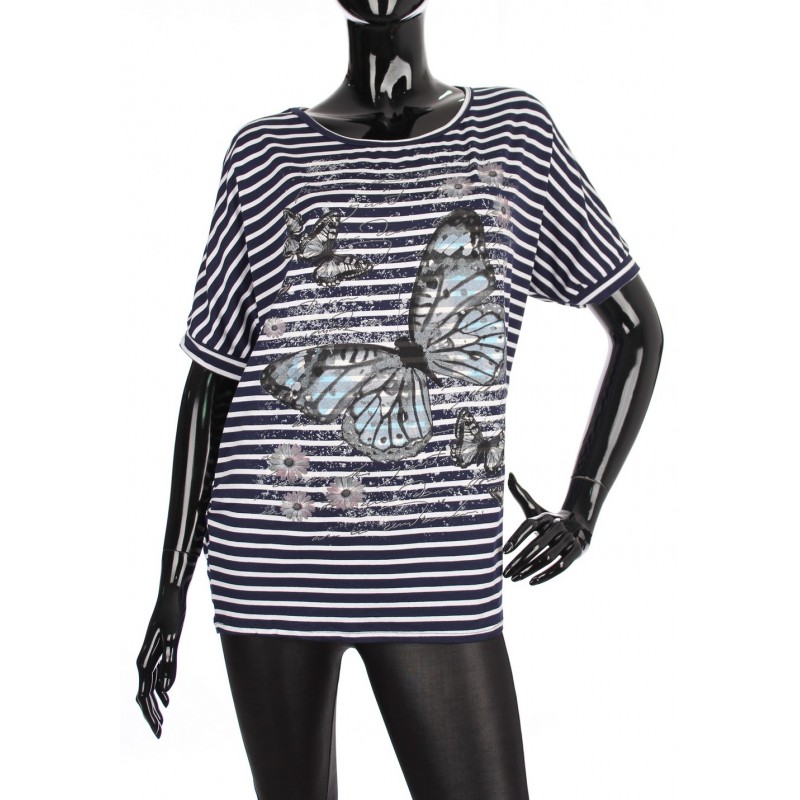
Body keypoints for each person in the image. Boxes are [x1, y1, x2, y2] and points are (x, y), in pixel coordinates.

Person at [136, 2, 664, 798]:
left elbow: (637, 331)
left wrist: (583, 505)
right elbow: (212, 378)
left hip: (439, 572)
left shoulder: (514, 134)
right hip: (271, 563)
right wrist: (172, 586)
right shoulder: (263, 154)